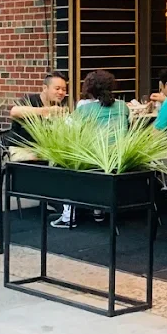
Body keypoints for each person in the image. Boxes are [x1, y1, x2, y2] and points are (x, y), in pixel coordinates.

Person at [53, 70, 128, 228]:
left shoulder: (84, 109)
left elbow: (67, 131)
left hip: (95, 163)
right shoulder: (123, 106)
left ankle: (68, 215)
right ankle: (98, 209)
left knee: (64, 161)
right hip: (120, 161)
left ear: (88, 88)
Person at [7, 70, 70, 148]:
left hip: (45, 150)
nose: (61, 92)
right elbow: (14, 112)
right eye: (57, 88)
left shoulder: (59, 105)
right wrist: (45, 111)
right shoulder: (30, 100)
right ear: (45, 88)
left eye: (64, 89)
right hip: (22, 149)